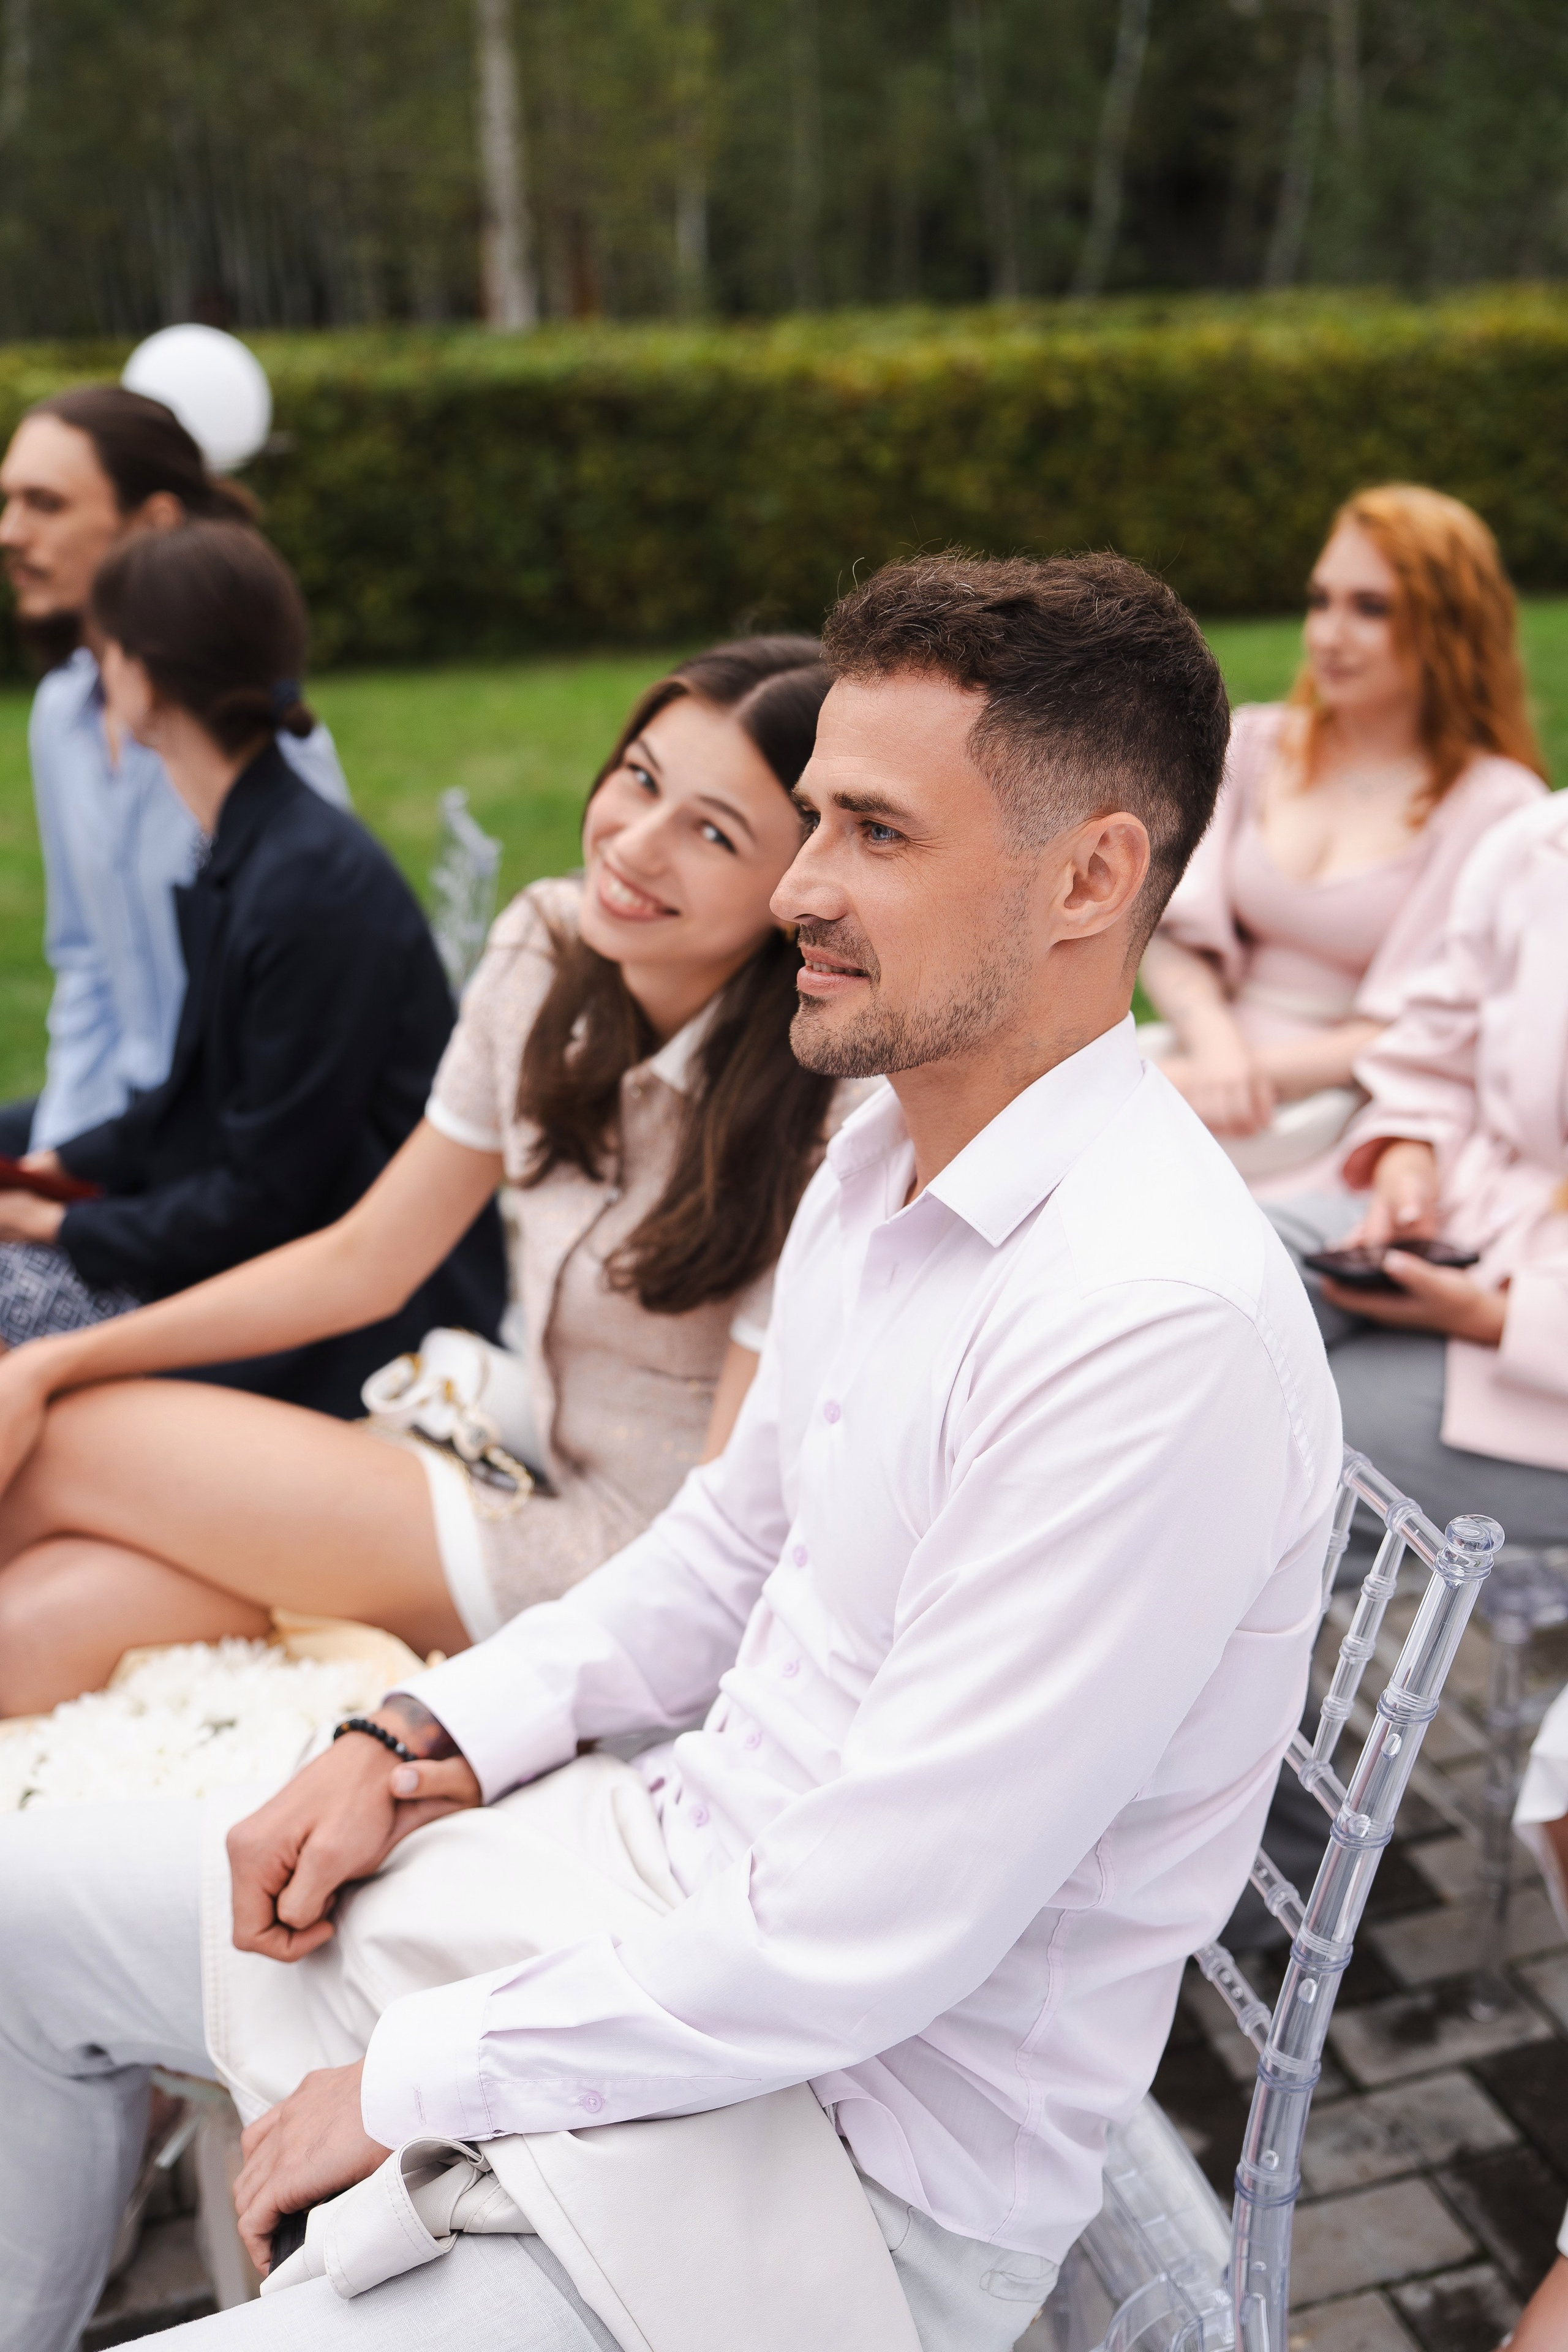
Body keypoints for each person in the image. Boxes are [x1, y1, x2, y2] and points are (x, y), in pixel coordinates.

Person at [0, 552, 1340, 2352]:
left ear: (1090, 875)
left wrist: (418, 2067)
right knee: (19, 1916)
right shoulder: (878, 1155)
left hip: (842, 2170)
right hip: (640, 1893)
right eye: (808, 824)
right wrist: (418, 1731)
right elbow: (720, 1553)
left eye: (870, 831)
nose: (795, 887)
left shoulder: (1151, 1330)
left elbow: (872, 1927)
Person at [0, 634, 870, 1706]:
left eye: (712, 832)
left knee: (68, 1448)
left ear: (798, 889)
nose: (635, 845)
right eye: (641, 778)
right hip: (514, 1457)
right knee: (50, 1606)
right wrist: (54, 1360)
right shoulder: (550, 946)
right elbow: (367, 1259)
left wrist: (58, 1382)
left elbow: (727, 1512)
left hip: (632, 1569)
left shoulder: (831, 1096)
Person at [0, 520, 503, 1429]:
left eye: (102, 651)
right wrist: (54, 1169)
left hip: (353, 1331)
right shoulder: (250, 846)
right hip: (264, 1261)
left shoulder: (306, 886)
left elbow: (267, 1199)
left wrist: (59, 1226)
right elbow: (190, 1099)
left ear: (142, 680)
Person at [1140, 484, 1545, 1189]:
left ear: (1450, 627)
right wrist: (1212, 1050)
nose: (1328, 634)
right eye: (1321, 600)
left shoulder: (1495, 805)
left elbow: (1436, 1030)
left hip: (1355, 1117)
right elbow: (1163, 921)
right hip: (1198, 1053)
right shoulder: (1256, 743)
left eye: (1371, 609)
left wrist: (1231, 1077)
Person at [0, 384, 350, 1156]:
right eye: (7, 501)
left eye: (45, 504)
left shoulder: (272, 754)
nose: (10, 533)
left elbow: (305, 1033)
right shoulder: (61, 715)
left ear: (153, 522)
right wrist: (60, 1160)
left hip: (228, 1145)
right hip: (116, 1116)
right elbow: (84, 959)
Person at [1265, 788, 1568, 1553]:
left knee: (1272, 1445)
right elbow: (1438, 1043)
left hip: (1542, 1365)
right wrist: (1410, 1154)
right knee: (1203, 1284)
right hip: (1464, 1215)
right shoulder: (1537, 842)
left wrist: (1494, 1320)